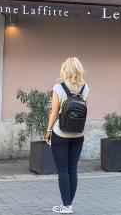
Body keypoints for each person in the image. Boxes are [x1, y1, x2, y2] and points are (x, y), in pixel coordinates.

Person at [45, 57, 89, 214]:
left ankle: (66, 206)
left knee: (63, 170)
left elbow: (54, 112)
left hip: (61, 133)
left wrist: (49, 130)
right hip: (78, 134)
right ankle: (68, 204)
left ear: (65, 69)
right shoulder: (85, 88)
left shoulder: (58, 87)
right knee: (73, 170)